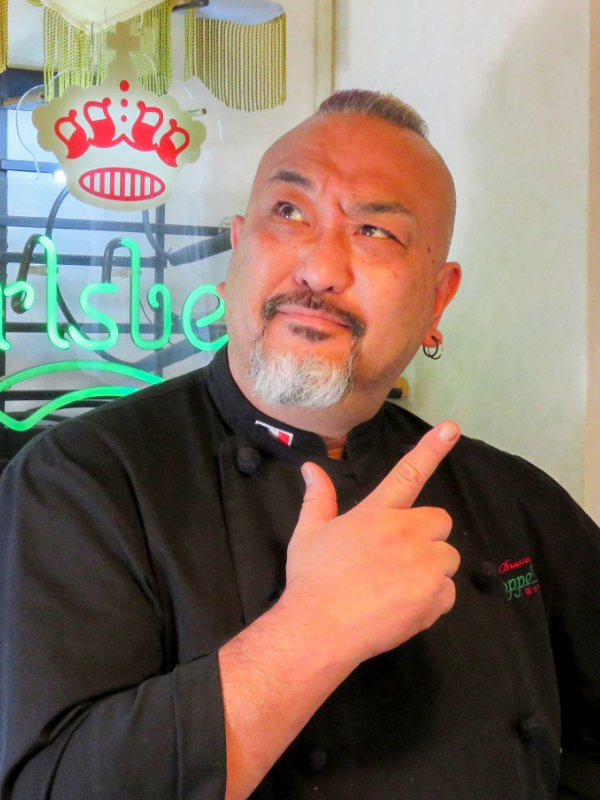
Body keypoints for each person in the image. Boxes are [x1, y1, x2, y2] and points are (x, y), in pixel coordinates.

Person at [1, 89, 599, 800]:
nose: (318, 269)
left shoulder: (517, 502)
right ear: (237, 248)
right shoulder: (81, 481)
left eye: (375, 231)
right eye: (288, 212)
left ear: (437, 301)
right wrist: (316, 627)